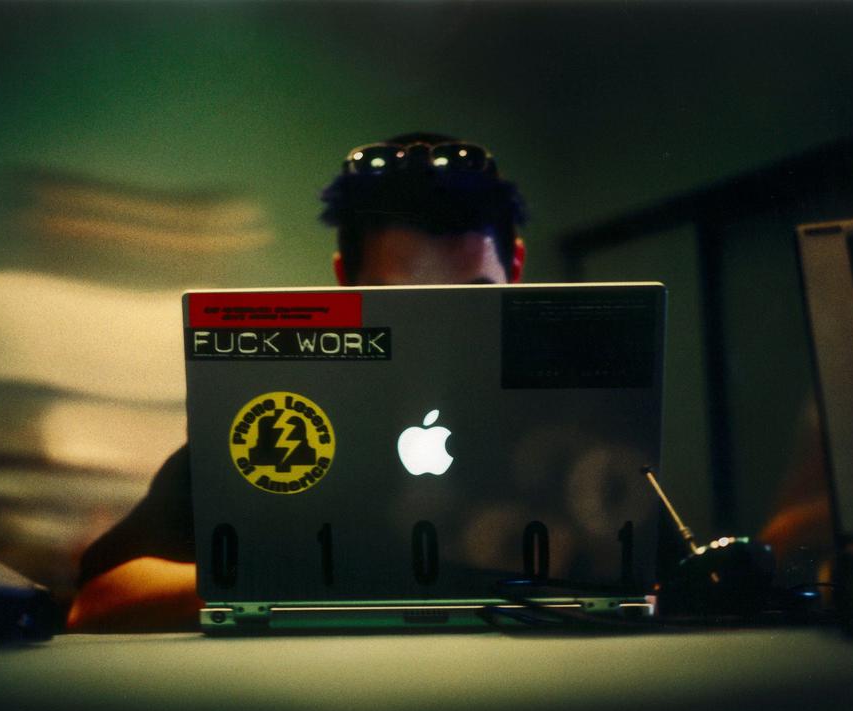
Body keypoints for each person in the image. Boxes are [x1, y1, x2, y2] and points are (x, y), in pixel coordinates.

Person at [67, 132, 528, 631]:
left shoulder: (574, 410)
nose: (436, 332)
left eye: (471, 299)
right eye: (397, 302)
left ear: (516, 270)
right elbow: (97, 601)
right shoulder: (281, 411)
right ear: (344, 282)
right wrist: (308, 574)